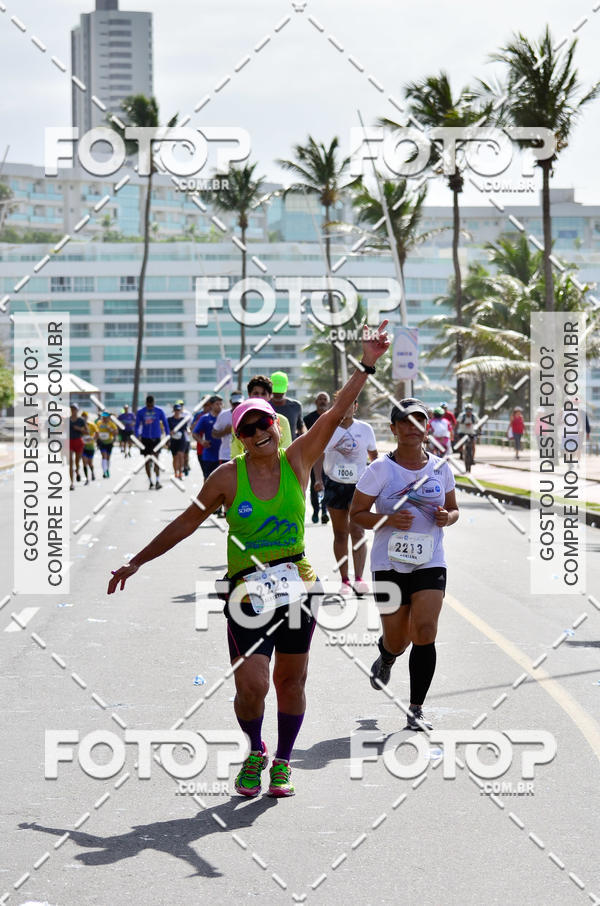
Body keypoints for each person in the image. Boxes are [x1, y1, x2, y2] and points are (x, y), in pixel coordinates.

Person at [108, 321, 391, 799]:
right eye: (248, 428)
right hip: (246, 589)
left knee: (291, 680)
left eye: (265, 424)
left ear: (276, 427)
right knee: (252, 684)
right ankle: (255, 748)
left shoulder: (297, 459)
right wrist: (136, 561)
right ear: (239, 437)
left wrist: (368, 362)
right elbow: (184, 524)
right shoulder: (225, 477)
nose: (260, 432)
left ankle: (281, 762)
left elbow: (339, 408)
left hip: (298, 583)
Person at [350, 398, 459, 731]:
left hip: (430, 561)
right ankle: (386, 655)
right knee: (399, 640)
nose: (413, 427)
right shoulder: (380, 470)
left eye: (419, 421)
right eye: (405, 422)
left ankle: (415, 708)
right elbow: (357, 515)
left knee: (425, 631)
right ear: (394, 429)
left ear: (427, 428)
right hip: (388, 564)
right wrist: (387, 519)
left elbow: (454, 510)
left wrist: (447, 517)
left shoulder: (441, 467)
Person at [315, 395, 378, 596]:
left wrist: (377, 482)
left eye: (350, 404)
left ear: (355, 406)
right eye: (342, 404)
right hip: (334, 483)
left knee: (358, 532)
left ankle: (359, 579)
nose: (346, 408)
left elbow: (374, 458)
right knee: (340, 533)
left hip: (359, 486)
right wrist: (318, 479)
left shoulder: (365, 429)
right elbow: (318, 456)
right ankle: (344, 580)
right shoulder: (328, 427)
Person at [230, 376, 292, 458]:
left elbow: (286, 449)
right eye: (248, 430)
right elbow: (235, 453)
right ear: (249, 395)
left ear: (270, 396)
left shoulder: (282, 420)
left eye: (265, 423)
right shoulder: (239, 422)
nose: (258, 433)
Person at [304, 391, 331, 524]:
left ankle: (325, 511)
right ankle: (316, 510)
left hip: (330, 457)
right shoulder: (308, 419)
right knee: (315, 483)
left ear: (328, 402)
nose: (322, 401)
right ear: (316, 402)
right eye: (320, 399)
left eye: (324, 399)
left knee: (327, 484)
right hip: (314, 456)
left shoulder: (332, 417)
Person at [135, 395, 170, 490]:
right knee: (147, 461)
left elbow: (166, 424)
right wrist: (137, 437)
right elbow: (137, 425)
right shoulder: (141, 412)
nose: (150, 407)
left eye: (152, 405)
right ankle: (150, 481)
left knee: (156, 460)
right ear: (146, 403)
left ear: (154, 403)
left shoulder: (159, 411)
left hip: (156, 439)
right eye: (149, 405)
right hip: (145, 439)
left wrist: (168, 437)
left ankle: (158, 481)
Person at [191, 395, 223, 480]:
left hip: (224, 455)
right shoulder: (204, 417)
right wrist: (202, 442)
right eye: (217, 404)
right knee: (208, 479)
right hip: (209, 455)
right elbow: (194, 432)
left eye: (221, 404)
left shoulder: (226, 416)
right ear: (211, 405)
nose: (219, 406)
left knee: (222, 480)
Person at [212, 390, 244, 464]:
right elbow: (214, 433)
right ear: (230, 402)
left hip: (242, 455)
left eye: (239, 403)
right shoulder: (223, 415)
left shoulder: (247, 415)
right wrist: (224, 432)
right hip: (225, 455)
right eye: (235, 403)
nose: (237, 406)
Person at [270, 371, 305, 439]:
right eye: (275, 392)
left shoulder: (296, 406)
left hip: (292, 447)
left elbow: (301, 429)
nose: (278, 394)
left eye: (280, 392)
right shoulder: (265, 406)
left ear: (287, 387)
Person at [168, 403, 188, 480]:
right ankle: (175, 472)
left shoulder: (183, 419)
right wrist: (170, 432)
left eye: (179, 410)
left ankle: (180, 472)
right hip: (173, 440)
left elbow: (186, 429)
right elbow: (167, 430)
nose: (177, 411)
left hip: (182, 439)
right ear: (174, 410)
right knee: (175, 457)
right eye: (176, 410)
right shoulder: (170, 419)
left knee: (181, 455)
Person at [68, 404, 86, 490]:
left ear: (77, 410)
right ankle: (72, 483)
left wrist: (79, 429)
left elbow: (87, 431)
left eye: (74, 409)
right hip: (70, 441)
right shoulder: (68, 420)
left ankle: (77, 471)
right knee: (70, 463)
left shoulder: (81, 420)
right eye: (72, 409)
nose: (73, 410)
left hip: (78, 441)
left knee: (77, 462)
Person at [96, 411, 118, 478]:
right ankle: (104, 472)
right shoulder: (99, 423)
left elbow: (116, 433)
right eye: (103, 417)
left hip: (109, 442)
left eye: (106, 417)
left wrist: (110, 429)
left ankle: (107, 470)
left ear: (108, 417)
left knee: (108, 458)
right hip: (102, 442)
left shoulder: (111, 424)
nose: (104, 418)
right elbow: (96, 431)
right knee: (104, 456)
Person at [80, 411, 98, 483]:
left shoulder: (92, 424)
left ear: (87, 417)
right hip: (83, 447)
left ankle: (92, 472)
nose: (84, 418)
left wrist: (93, 439)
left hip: (91, 446)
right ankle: (87, 478)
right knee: (84, 462)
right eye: (83, 416)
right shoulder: (80, 425)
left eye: (85, 416)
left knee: (90, 463)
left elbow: (97, 433)